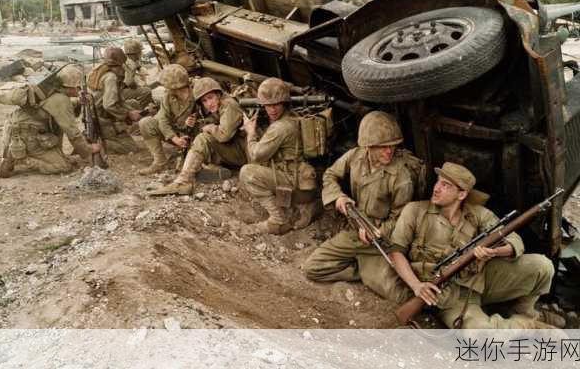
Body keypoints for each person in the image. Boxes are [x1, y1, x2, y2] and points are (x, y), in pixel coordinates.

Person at [387, 162, 564, 328]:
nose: (436, 188)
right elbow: (396, 252)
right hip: (447, 295)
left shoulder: (478, 214)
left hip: (478, 281)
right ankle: (529, 325)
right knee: (482, 340)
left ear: (461, 194)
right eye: (438, 182)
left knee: (543, 266)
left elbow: (514, 241)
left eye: (446, 185)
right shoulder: (415, 211)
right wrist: (416, 286)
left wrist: (494, 251)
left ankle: (523, 313)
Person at [303, 111, 415, 294]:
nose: (389, 151)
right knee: (312, 268)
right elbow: (330, 175)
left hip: (380, 240)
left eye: (393, 146)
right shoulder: (355, 156)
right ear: (369, 146)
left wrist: (376, 233)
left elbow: (401, 219)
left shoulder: (402, 177)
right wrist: (338, 197)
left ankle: (366, 270)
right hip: (353, 230)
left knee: (395, 293)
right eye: (383, 146)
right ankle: (358, 270)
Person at [238, 78, 318, 234]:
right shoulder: (293, 116)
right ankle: (303, 206)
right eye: (268, 105)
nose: (272, 110)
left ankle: (278, 220)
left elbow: (256, 155)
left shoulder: (280, 127)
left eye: (276, 104)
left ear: (284, 103)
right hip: (303, 181)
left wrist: (251, 133)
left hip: (294, 184)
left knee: (247, 173)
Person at [148, 77, 247, 195]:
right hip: (234, 149)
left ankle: (183, 182)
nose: (209, 103)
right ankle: (215, 170)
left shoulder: (229, 105)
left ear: (218, 94)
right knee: (201, 140)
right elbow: (212, 122)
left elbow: (223, 135)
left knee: (203, 138)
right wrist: (192, 125)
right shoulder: (219, 105)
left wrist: (209, 128)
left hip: (243, 153)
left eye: (210, 98)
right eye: (204, 101)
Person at [0, 66, 101, 177]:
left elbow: (51, 106)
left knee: (59, 139)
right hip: (27, 136)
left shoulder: (48, 90)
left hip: (16, 129)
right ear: (72, 87)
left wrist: (77, 102)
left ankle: (17, 153)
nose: (80, 90)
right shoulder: (61, 101)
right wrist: (88, 150)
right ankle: (20, 159)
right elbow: (73, 133)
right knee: (62, 166)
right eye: (78, 87)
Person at [138, 64, 196, 176]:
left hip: (196, 134)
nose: (165, 88)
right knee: (146, 123)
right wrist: (174, 138)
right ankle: (160, 162)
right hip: (178, 135)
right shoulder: (169, 96)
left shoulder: (197, 92)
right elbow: (162, 119)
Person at [87, 46, 141, 154]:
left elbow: (118, 100)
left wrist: (130, 111)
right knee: (130, 148)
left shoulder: (101, 70)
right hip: (102, 119)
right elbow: (109, 105)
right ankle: (98, 145)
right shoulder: (111, 78)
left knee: (133, 104)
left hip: (97, 114)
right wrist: (128, 114)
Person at [122, 39, 153, 109]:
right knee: (146, 91)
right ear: (136, 53)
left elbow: (138, 67)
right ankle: (140, 110)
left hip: (120, 89)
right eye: (140, 51)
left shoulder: (133, 60)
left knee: (145, 88)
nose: (141, 53)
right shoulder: (130, 64)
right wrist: (139, 87)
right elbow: (129, 83)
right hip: (119, 91)